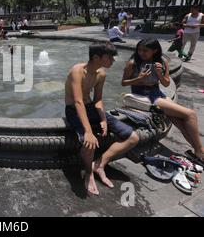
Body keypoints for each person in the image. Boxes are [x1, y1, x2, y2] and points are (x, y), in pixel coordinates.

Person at [65, 42, 139, 195]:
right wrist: (88, 131)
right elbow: (78, 101)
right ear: (96, 57)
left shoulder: (101, 74)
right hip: (74, 110)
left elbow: (97, 99)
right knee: (89, 142)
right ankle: (89, 173)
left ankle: (99, 165)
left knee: (134, 137)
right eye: (110, 57)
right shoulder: (77, 71)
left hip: (92, 109)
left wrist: (103, 118)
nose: (113, 60)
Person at [122, 39, 204, 162]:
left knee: (179, 121)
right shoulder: (133, 63)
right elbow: (124, 82)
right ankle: (200, 152)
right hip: (143, 94)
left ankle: (197, 152)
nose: (141, 53)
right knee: (190, 114)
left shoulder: (162, 61)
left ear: (154, 51)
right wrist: (139, 78)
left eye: (145, 51)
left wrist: (160, 73)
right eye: (139, 50)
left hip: (157, 93)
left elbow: (166, 84)